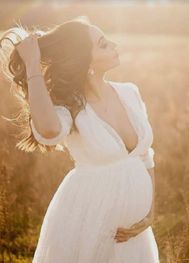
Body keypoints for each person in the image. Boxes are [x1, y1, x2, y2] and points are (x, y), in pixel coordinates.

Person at [0, 16, 160, 262]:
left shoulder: (130, 92)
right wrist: (32, 65)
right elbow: (50, 131)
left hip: (133, 235)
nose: (114, 45)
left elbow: (145, 156)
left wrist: (150, 213)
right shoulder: (70, 107)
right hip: (89, 220)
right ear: (85, 60)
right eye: (104, 44)